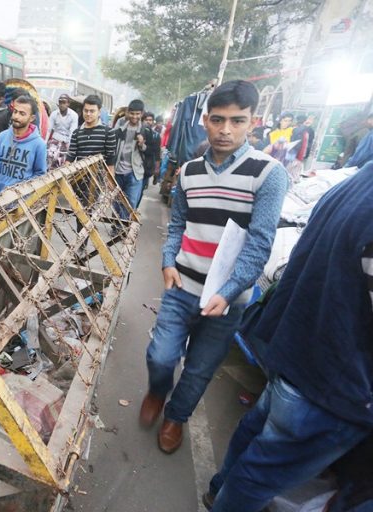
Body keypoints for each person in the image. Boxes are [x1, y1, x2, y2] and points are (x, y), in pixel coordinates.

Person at [204, 161, 373, 512]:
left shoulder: (357, 181)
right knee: (262, 471)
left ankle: (219, 491)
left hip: (297, 356)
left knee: (256, 437)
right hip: (332, 384)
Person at [139, 80, 288, 454]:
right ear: (204, 120)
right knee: (161, 356)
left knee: (200, 369)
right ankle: (158, 390)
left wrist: (229, 290)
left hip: (228, 300)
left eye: (237, 121)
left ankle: (176, 417)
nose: (226, 130)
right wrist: (167, 260)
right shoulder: (189, 172)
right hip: (182, 286)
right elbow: (177, 224)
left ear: (253, 122)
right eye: (218, 120)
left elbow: (260, 241)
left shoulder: (268, 173)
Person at [65, 95, 116, 238]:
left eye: (92, 111)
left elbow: (111, 158)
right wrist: (63, 175)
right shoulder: (77, 132)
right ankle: (81, 239)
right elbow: (71, 156)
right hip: (78, 177)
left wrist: (110, 179)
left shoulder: (108, 132)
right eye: (86, 110)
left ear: (99, 112)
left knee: (87, 210)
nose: (88, 114)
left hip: (96, 179)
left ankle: (82, 241)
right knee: (78, 209)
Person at [0, 94, 47, 194]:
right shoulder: (2, 137)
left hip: (21, 202)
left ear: (32, 118)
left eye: (22, 114)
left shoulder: (39, 145)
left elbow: (40, 175)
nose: (16, 116)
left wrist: (22, 194)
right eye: (15, 112)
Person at [112, 99, 153, 210]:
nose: (134, 117)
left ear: (142, 114)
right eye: (132, 113)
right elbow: (111, 142)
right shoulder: (120, 123)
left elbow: (151, 152)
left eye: (137, 114)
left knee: (129, 205)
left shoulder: (146, 129)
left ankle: (123, 227)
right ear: (127, 112)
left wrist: (142, 145)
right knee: (116, 202)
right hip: (118, 171)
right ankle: (116, 227)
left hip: (134, 173)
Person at [47, 94, 78, 168]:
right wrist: (44, 142)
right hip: (55, 140)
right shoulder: (54, 114)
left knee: (62, 163)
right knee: (50, 157)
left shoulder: (74, 115)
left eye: (64, 103)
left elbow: (72, 132)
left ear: (68, 104)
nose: (62, 105)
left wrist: (69, 146)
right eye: (60, 102)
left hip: (66, 141)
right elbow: (49, 130)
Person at [139, 111, 162, 200]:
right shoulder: (138, 133)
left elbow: (156, 153)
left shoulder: (156, 136)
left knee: (140, 190)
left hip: (146, 168)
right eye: (146, 120)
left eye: (150, 120)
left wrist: (157, 169)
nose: (148, 122)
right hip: (135, 167)